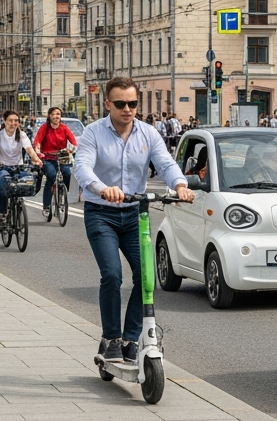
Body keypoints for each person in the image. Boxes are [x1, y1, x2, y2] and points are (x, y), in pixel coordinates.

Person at [75, 77, 194, 364]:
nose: (127, 109)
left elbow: (164, 163)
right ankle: (111, 337)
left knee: (146, 277)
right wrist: (102, 188)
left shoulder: (148, 133)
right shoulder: (93, 133)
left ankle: (130, 338)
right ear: (107, 104)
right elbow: (82, 167)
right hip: (101, 213)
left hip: (134, 215)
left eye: (133, 103)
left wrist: (179, 185)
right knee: (113, 275)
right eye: (120, 104)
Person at [0, 110, 42, 231]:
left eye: (16, 121)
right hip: (2, 167)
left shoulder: (21, 135)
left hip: (18, 167)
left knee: (27, 179)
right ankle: (3, 216)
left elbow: (30, 150)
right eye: (10, 121)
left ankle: (17, 204)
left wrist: (37, 161)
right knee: (4, 183)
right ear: (5, 121)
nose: (13, 123)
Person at [34, 106, 79, 220]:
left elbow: (74, 143)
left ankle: (62, 193)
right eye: (53, 114)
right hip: (48, 158)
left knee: (67, 173)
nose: (56, 116)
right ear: (49, 116)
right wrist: (39, 152)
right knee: (51, 176)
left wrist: (69, 150)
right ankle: (46, 207)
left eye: (58, 114)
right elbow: (37, 142)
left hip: (62, 157)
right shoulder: (45, 128)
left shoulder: (64, 128)